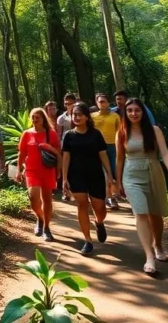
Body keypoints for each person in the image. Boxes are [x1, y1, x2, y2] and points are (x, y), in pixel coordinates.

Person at [116, 97, 168, 276]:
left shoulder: (154, 130)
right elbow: (119, 159)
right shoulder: (121, 132)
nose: (133, 113)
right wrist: (117, 182)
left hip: (154, 171)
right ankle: (149, 256)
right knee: (140, 213)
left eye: (137, 110)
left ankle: (157, 244)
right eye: (129, 111)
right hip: (131, 175)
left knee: (155, 214)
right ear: (125, 113)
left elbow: (165, 153)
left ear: (143, 112)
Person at [61, 102, 115, 256]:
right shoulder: (68, 135)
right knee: (82, 205)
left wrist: (109, 175)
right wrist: (64, 178)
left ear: (86, 117)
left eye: (79, 114)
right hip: (76, 175)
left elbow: (103, 154)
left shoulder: (96, 134)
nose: (76, 117)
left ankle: (99, 222)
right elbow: (66, 157)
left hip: (95, 174)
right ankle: (88, 240)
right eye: (74, 115)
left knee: (100, 208)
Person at [16, 107, 61, 241]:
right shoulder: (26, 133)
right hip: (31, 170)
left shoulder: (51, 133)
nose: (35, 120)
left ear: (43, 119)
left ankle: (46, 228)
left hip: (47, 169)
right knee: (33, 198)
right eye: (33, 117)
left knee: (47, 200)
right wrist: (18, 170)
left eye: (38, 117)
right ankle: (40, 218)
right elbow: (22, 153)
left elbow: (58, 151)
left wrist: (49, 147)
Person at [92, 94, 122, 209]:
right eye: (100, 102)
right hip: (98, 148)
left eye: (104, 101)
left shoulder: (115, 116)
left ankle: (117, 193)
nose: (102, 104)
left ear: (108, 103)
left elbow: (119, 132)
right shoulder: (92, 116)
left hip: (112, 147)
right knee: (104, 173)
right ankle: (110, 198)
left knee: (114, 171)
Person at [56, 94, 76, 200]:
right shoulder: (61, 118)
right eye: (66, 103)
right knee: (66, 168)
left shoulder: (79, 114)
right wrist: (59, 147)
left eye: (70, 103)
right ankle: (66, 191)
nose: (67, 105)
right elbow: (59, 134)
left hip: (78, 144)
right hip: (66, 144)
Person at [45, 100, 63, 195]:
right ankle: (51, 186)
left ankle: (59, 185)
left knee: (59, 165)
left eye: (53, 109)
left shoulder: (59, 119)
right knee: (49, 165)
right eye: (49, 109)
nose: (51, 111)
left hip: (58, 145)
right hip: (48, 146)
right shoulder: (45, 120)